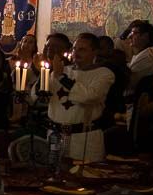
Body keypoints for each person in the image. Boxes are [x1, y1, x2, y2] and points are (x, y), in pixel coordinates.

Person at [39, 32, 114, 164]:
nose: (76, 52)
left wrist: (61, 77)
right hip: (56, 136)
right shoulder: (62, 70)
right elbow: (41, 95)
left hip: (84, 138)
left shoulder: (104, 74)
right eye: (74, 48)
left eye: (82, 49)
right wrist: (43, 73)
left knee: (84, 178)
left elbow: (89, 96)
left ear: (94, 52)